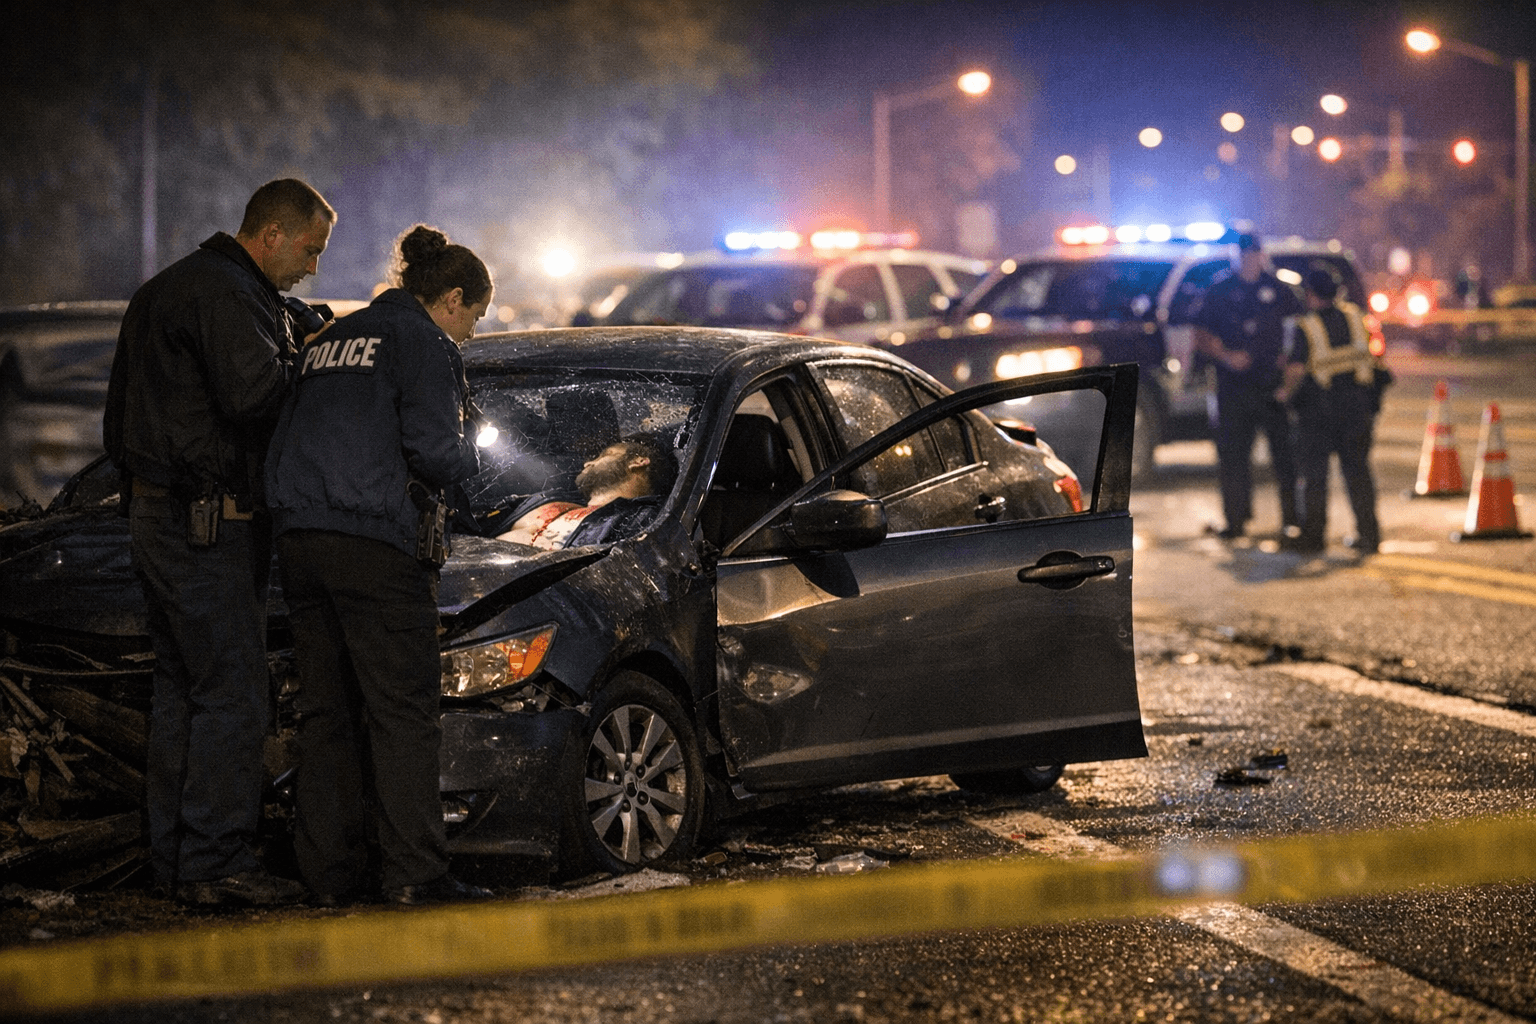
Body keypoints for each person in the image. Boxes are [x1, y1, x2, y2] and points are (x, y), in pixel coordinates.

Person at [103, 178, 335, 906]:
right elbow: (256, 397)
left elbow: (120, 420)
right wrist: (312, 360)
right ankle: (217, 864)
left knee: (184, 691)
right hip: (209, 525)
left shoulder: (167, 289)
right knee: (234, 695)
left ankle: (175, 861)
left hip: (159, 517)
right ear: (270, 234)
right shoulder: (227, 296)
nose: (313, 267)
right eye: (309, 249)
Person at [265, 224, 494, 906]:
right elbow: (435, 453)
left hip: (301, 543)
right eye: (474, 319)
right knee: (402, 715)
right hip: (375, 546)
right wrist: (476, 460)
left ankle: (328, 879)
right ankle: (415, 877)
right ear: (452, 298)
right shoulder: (422, 343)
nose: (471, 336)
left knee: (326, 715)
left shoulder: (335, 336)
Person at [1192, 232, 1306, 541]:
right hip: (1233, 385)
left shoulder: (1278, 289)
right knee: (1233, 456)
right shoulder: (1219, 290)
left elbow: (1299, 331)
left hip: (1270, 384)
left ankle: (1292, 520)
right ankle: (1236, 520)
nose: (1248, 260)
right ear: (1235, 256)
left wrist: (1288, 362)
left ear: (1261, 255)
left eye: (1253, 254)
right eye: (1243, 254)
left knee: (1284, 456)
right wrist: (1226, 356)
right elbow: (1200, 334)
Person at [1275, 268, 1383, 556]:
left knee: (1315, 477)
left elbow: (1297, 369)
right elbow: (1375, 359)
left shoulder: (1306, 326)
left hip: (1320, 412)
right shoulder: (1356, 317)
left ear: (1310, 294)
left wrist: (1284, 394)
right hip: (1358, 408)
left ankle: (1313, 538)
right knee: (1358, 473)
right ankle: (1370, 535)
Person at [489, 434, 677, 549]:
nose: (588, 463)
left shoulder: (644, 522)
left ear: (638, 462)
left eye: (605, 455)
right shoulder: (548, 499)